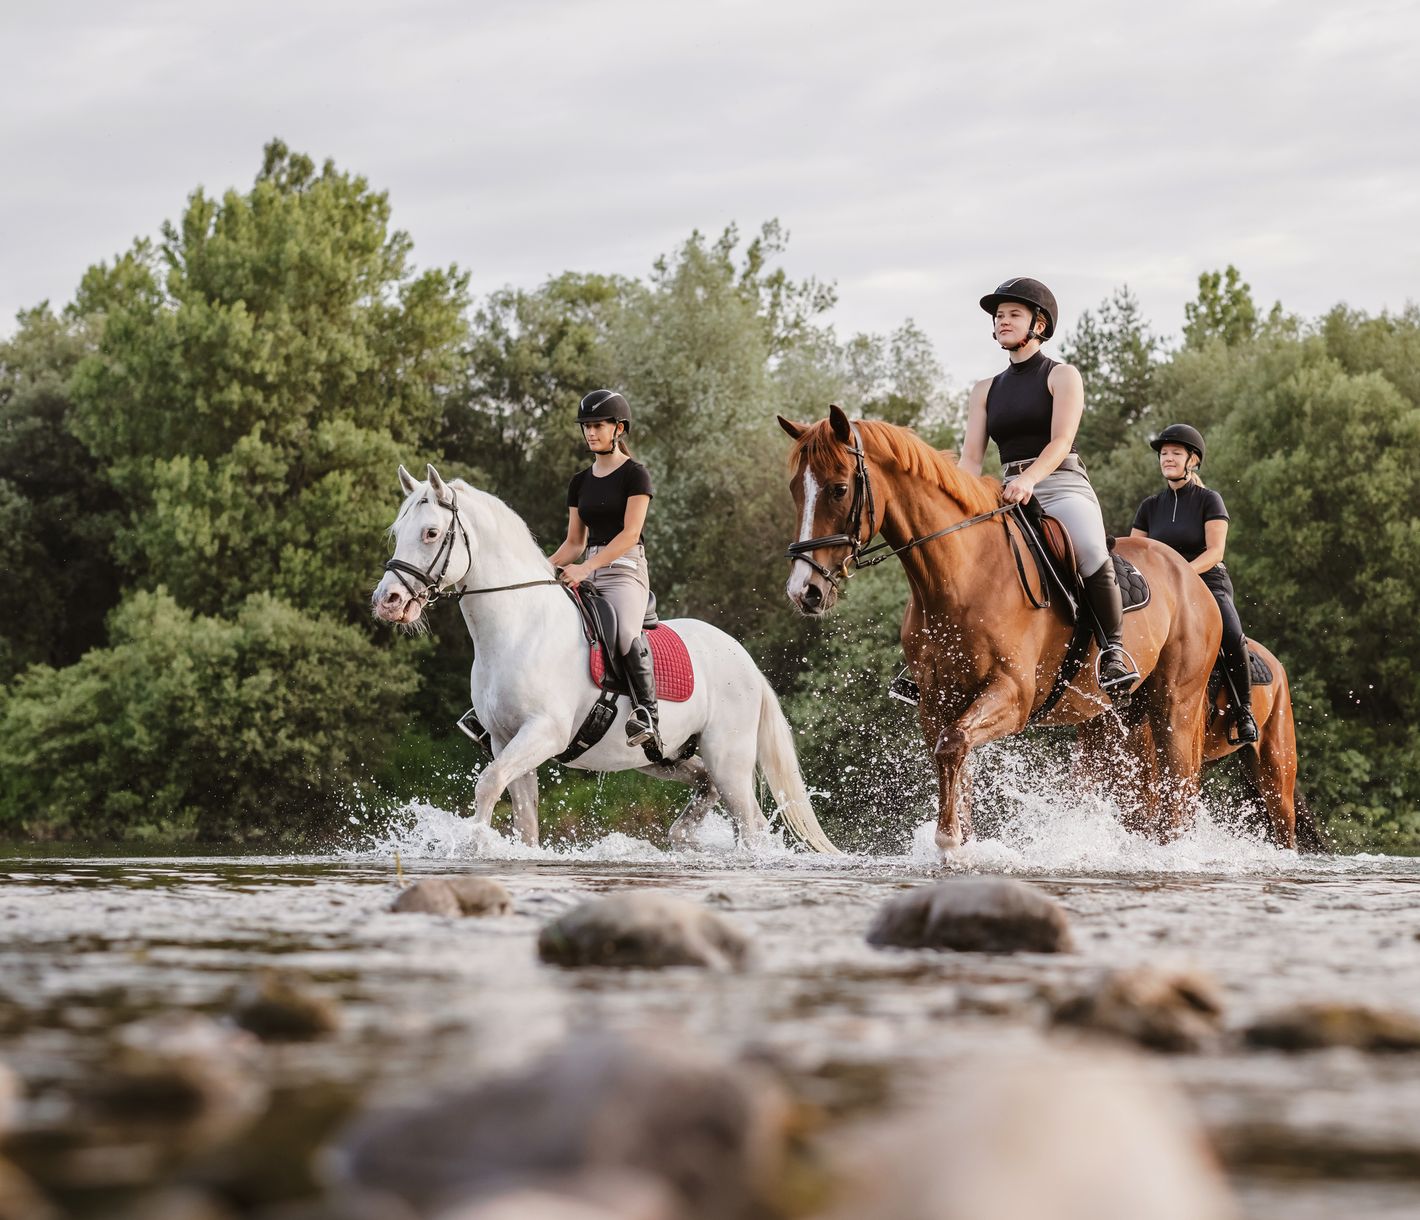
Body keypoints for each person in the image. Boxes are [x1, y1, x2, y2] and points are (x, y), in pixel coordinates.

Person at [959, 277, 1139, 692]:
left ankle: (1113, 650)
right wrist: (961, 499)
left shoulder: (1062, 375)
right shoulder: (984, 390)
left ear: (1038, 324)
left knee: (1092, 549)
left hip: (1060, 483)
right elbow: (971, 458)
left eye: (1013, 315)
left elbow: (1060, 442)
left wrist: (1030, 478)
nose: (1003, 321)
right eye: (999, 316)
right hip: (1006, 490)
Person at [1130, 424, 1259, 744]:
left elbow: (1215, 551)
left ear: (1193, 460)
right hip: (1162, 591)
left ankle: (1244, 710)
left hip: (1206, 581)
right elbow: (1137, 552)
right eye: (1163, 454)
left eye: (1175, 453)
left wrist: (1181, 574)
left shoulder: (1209, 500)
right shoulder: (1149, 507)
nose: (1167, 459)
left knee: (1231, 632)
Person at [549, 389, 661, 754]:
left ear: (619, 428)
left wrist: (586, 568)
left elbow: (630, 534)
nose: (590, 433)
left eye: (598, 425)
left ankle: (647, 712)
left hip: (625, 569)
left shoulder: (635, 476)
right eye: (586, 426)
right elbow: (573, 543)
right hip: (585, 567)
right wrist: (539, 569)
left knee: (625, 631)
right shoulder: (579, 482)